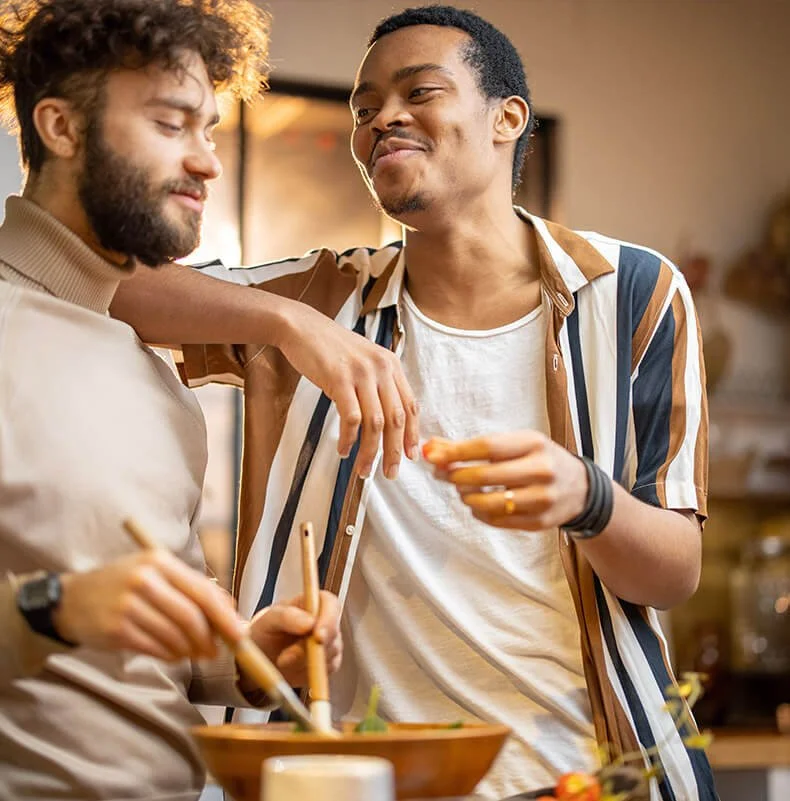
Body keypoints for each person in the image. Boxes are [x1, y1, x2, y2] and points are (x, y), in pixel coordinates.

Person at [111, 5, 717, 800]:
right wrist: (290, 322)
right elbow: (112, 286)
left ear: (507, 118)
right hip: (359, 778)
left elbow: (674, 572)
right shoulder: (322, 299)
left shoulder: (634, 293)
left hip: (585, 775)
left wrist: (585, 496)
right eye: (364, 108)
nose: (380, 119)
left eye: (418, 91)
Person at [0, 2, 348, 800]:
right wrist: (56, 606)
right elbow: (68, 614)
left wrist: (245, 658)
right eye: (171, 124)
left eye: (209, 130)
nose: (207, 162)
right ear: (61, 127)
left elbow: (154, 656)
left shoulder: (158, 380)